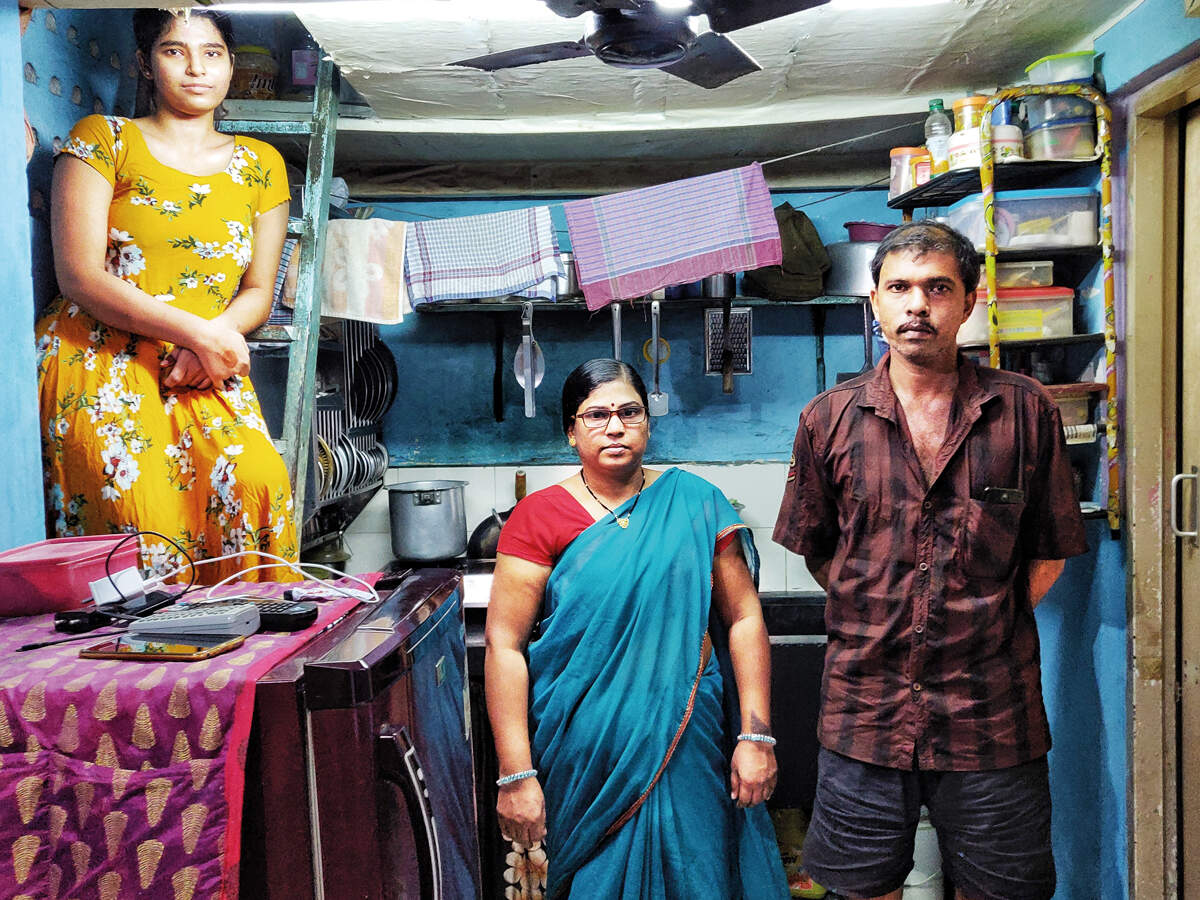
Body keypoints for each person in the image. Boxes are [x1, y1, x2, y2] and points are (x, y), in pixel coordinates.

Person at [774, 220, 1087, 900]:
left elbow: (1048, 553)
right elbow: (821, 551)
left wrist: (975, 617)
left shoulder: (1025, 412)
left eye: (938, 288)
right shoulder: (827, 419)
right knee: (860, 890)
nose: (918, 304)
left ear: (969, 301)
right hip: (865, 712)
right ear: (876, 303)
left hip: (992, 715)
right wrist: (886, 604)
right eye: (901, 288)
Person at [485, 358, 788, 899]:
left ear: (648, 422)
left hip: (687, 739)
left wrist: (756, 736)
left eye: (630, 412)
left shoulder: (696, 503)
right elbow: (504, 647)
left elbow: (743, 618)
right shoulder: (539, 517)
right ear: (570, 431)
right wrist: (515, 772)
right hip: (583, 752)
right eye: (596, 415)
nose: (616, 426)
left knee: (697, 875)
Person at [35, 9, 298, 583]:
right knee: (141, 522)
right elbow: (78, 276)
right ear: (145, 64)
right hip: (103, 359)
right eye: (174, 51)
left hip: (203, 364)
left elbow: (258, 290)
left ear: (230, 65)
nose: (196, 68)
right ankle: (143, 670)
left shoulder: (262, 166)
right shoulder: (103, 139)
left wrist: (212, 339)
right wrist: (201, 336)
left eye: (213, 53)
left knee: (258, 483)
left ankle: (243, 665)